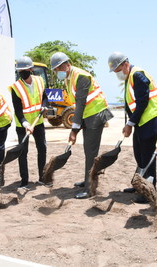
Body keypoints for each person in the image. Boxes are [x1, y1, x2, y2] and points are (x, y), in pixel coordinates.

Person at [50, 52, 114, 199]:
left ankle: (89, 188)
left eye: (60, 67)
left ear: (67, 64)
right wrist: (76, 128)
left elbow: (80, 104)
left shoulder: (81, 76)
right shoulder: (68, 78)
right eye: (56, 69)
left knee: (91, 152)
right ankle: (87, 179)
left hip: (96, 115)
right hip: (87, 115)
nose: (58, 71)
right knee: (88, 151)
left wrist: (73, 130)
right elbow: (77, 105)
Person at [108, 52, 157, 203]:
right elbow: (132, 104)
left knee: (147, 157)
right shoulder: (130, 76)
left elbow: (142, 102)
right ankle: (139, 185)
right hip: (142, 121)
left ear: (125, 64)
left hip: (150, 119)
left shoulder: (138, 75)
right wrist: (131, 123)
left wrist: (130, 124)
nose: (117, 74)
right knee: (139, 154)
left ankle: (148, 191)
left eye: (117, 70)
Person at [9, 56, 48, 189]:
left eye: (24, 70)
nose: (22, 73)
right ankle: (24, 181)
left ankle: (43, 177)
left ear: (31, 69)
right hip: (23, 125)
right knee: (22, 152)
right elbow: (18, 110)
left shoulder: (39, 80)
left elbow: (44, 96)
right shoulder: (15, 87)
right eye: (20, 71)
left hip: (38, 122)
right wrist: (25, 124)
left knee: (42, 149)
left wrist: (44, 105)